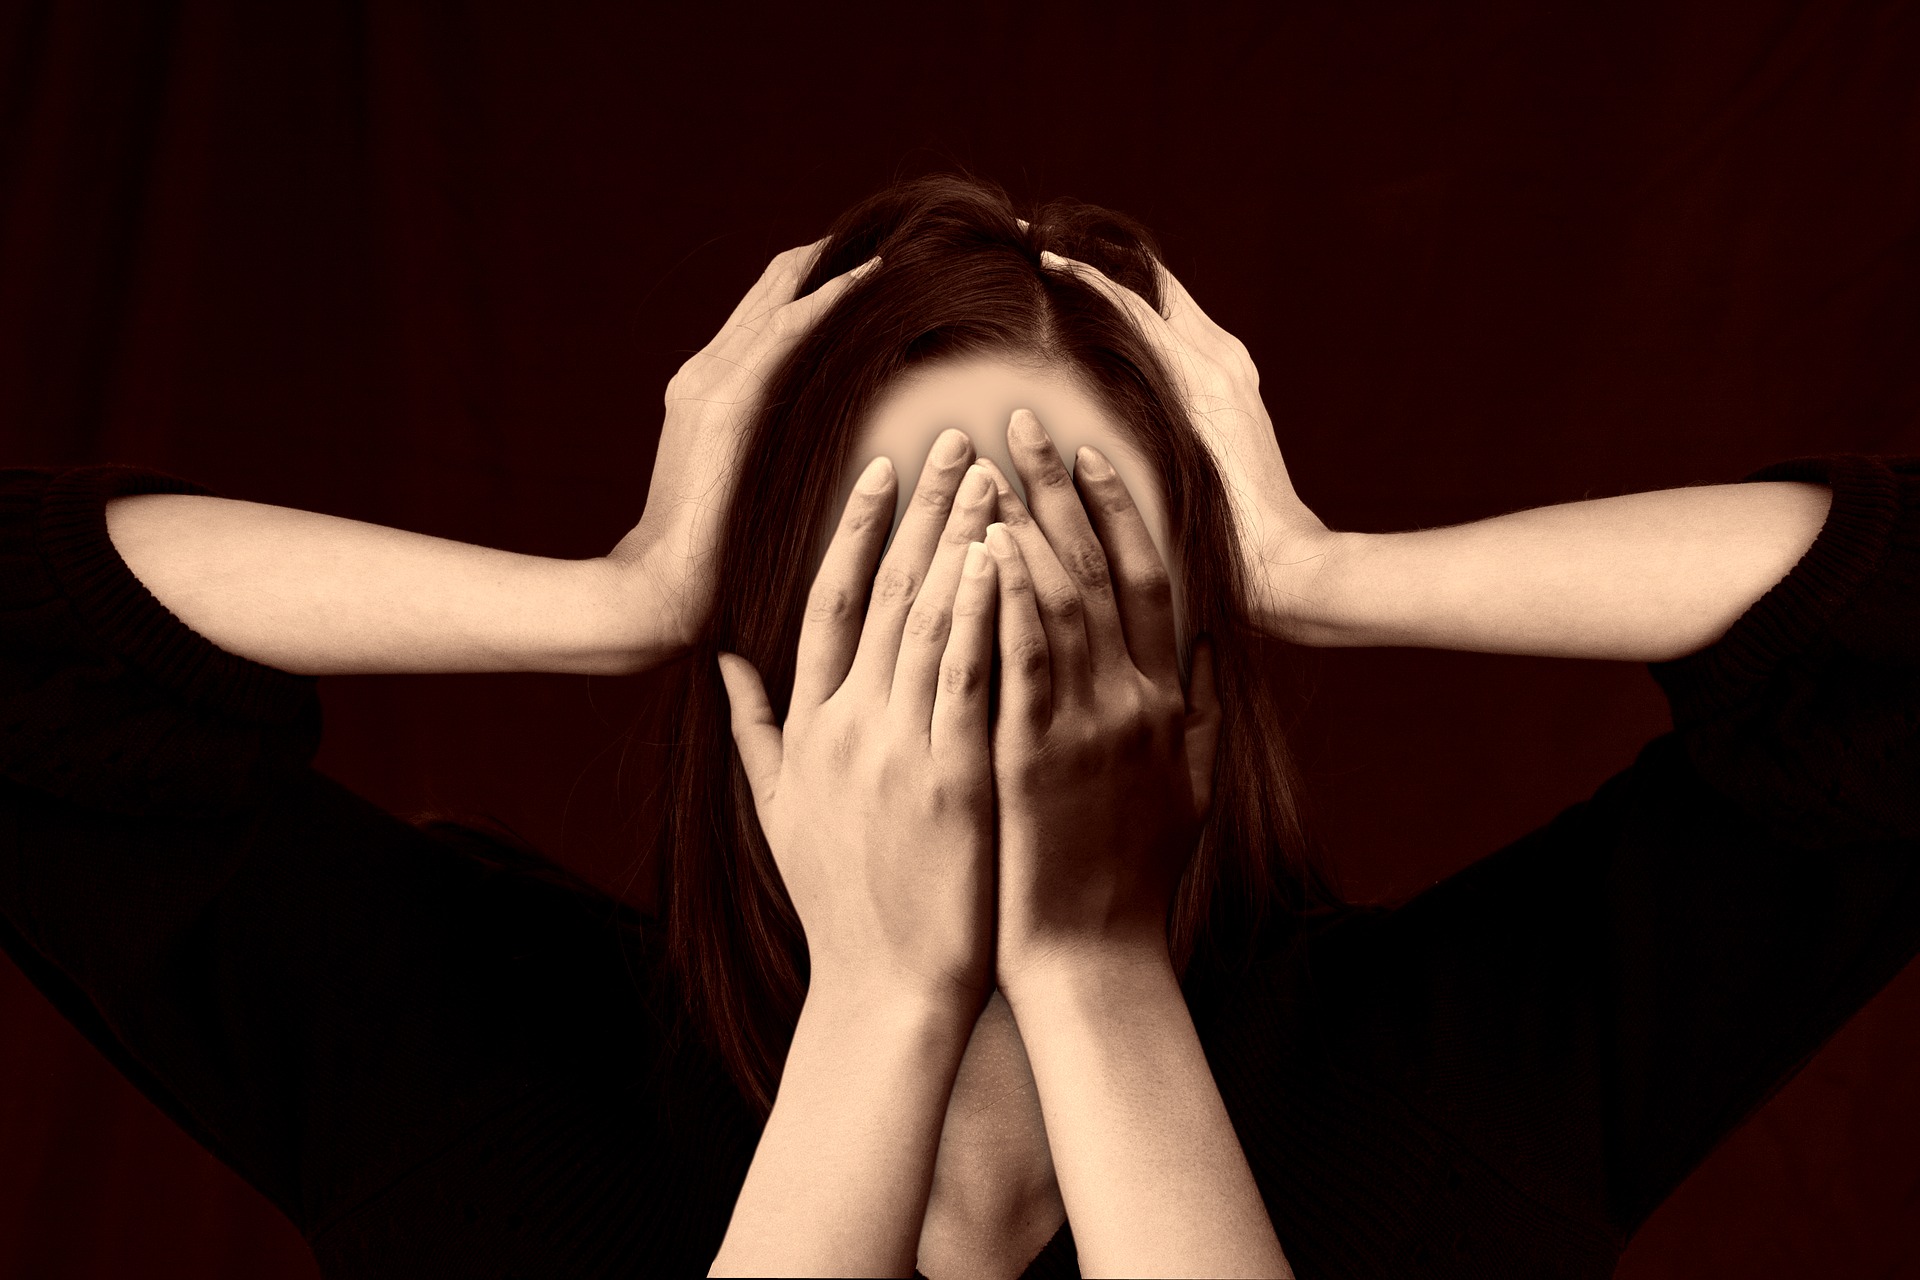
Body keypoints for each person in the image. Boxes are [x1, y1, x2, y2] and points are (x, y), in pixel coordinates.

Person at [0, 174, 1912, 1279]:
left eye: (1083, 547)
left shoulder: (1472, 1067)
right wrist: (613, 601)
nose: (984, 631)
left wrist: (1334, 573)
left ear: (1209, 639)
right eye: (892, 547)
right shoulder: (478, 1057)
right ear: (765, 622)